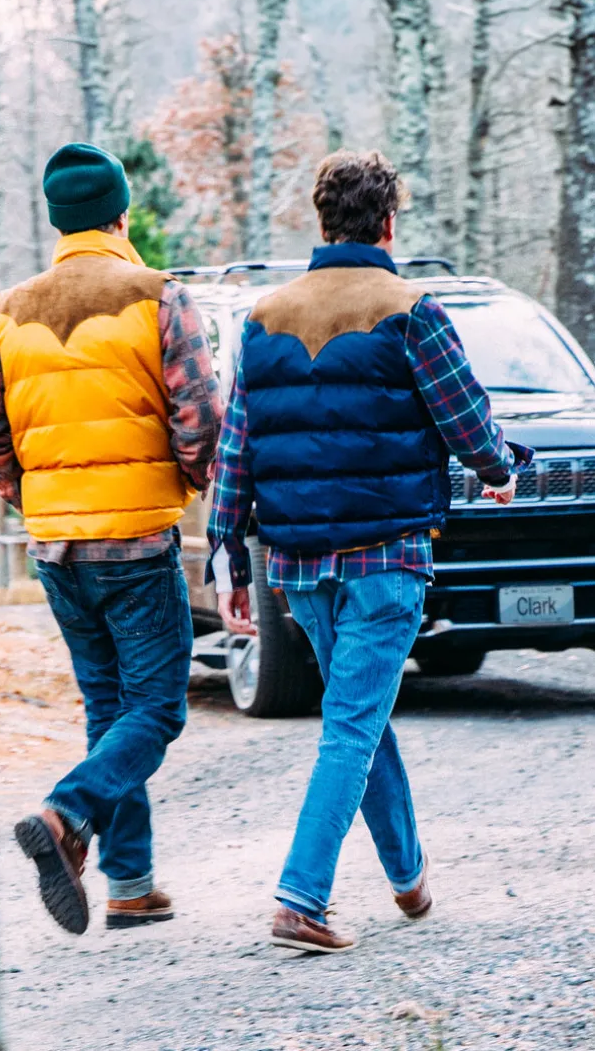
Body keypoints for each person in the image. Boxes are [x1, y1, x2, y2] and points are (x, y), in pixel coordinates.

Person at [207, 149, 533, 953]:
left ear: (322, 221)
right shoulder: (411, 308)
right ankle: (301, 899)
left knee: (360, 715)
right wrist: (501, 470)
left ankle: (408, 877)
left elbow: (237, 447)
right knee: (352, 725)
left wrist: (227, 554)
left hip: (297, 566)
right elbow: (466, 422)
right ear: (388, 223)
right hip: (386, 559)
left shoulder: (264, 316)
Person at [0, 143, 222, 935]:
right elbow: (203, 419)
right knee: (158, 710)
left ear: (59, 221)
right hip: (136, 541)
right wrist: (186, 483)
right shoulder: (160, 296)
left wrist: (35, 496)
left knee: (110, 707)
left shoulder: (10, 311)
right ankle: (65, 812)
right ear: (121, 214)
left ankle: (130, 884)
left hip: (55, 548)